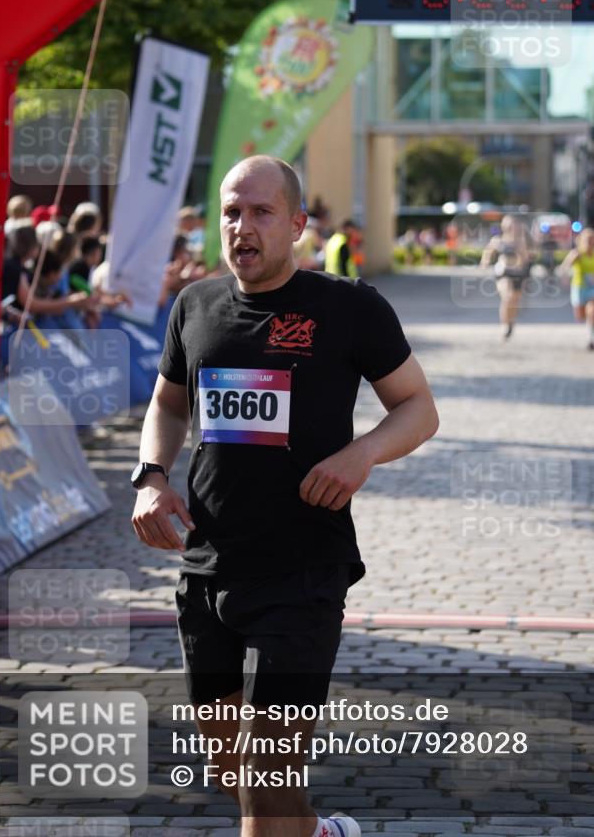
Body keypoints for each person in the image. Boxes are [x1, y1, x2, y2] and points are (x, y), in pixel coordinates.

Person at [131, 155, 439, 837]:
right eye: (230, 213)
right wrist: (151, 476)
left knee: (266, 777)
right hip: (207, 566)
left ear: (298, 224)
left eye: (261, 212)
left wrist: (360, 454)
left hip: (303, 571)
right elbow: (168, 405)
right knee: (232, 770)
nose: (242, 227)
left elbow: (418, 407)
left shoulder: (349, 307)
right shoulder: (195, 305)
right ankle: (319, 833)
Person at [559, 227, 594, 350]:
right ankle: (589, 327)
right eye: (588, 240)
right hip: (580, 286)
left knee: (592, 310)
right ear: (582, 240)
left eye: (592, 240)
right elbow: (565, 266)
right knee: (580, 316)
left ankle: (592, 338)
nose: (590, 242)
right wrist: (565, 276)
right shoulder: (577, 254)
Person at [480, 214, 531, 341]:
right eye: (508, 224)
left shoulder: (520, 242)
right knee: (507, 297)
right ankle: (505, 325)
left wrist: (521, 262)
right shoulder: (497, 240)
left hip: (518, 273)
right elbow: (488, 251)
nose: (511, 227)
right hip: (503, 271)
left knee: (514, 300)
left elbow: (525, 259)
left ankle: (510, 321)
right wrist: (485, 262)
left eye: (513, 225)